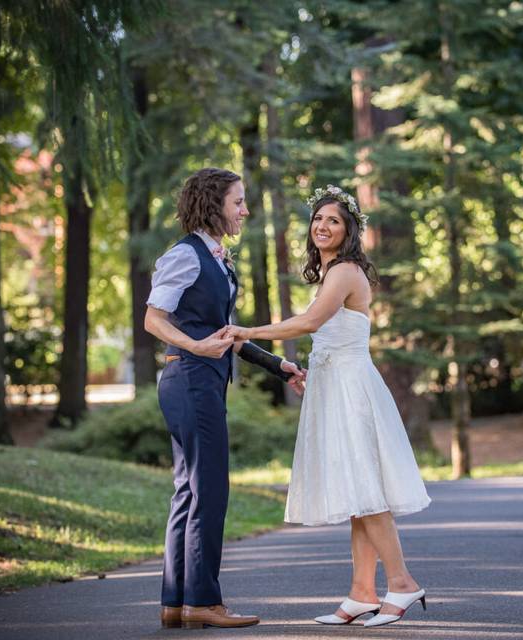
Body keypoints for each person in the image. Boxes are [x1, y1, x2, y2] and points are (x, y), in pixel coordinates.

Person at [228, 184, 431, 628]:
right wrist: (311, 373)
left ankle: (402, 583)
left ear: (349, 230)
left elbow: (309, 323)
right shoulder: (330, 273)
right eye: (318, 219)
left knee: (368, 491)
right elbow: (326, 336)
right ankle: (362, 593)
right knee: (356, 493)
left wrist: (245, 330)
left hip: (352, 391)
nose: (323, 226)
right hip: (332, 386)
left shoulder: (344, 271)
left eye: (334, 220)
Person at [144, 167, 306, 629]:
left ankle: (176, 603)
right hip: (190, 379)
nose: (245, 210)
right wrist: (194, 346)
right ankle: (204, 602)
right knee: (209, 489)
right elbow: (154, 319)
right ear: (214, 204)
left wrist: (278, 366)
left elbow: (228, 334)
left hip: (199, 381)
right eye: (238, 201)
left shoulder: (216, 260)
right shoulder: (186, 255)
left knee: (189, 490)